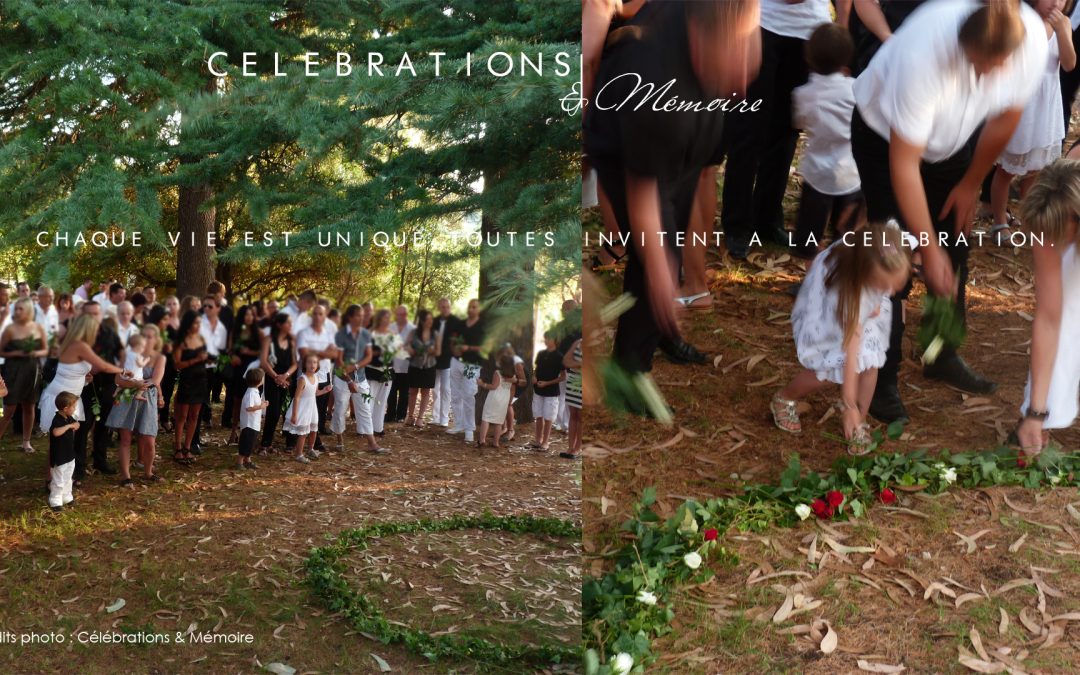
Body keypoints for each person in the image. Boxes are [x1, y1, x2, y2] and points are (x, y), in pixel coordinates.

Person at [851, 0, 1047, 424]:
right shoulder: (925, 50)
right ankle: (881, 377)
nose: (983, 77)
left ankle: (941, 350)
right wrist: (927, 247)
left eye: (995, 68)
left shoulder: (1029, 40)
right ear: (961, 46)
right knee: (895, 257)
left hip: (953, 142)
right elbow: (903, 165)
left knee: (954, 245)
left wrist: (972, 181)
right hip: (883, 135)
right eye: (976, 66)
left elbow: (1006, 116)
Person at [584, 0, 761, 386]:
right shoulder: (651, 75)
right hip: (625, 147)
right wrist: (665, 278)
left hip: (684, 121)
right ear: (699, 41)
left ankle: (659, 329)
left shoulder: (723, 21)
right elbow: (644, 194)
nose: (743, 86)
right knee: (655, 253)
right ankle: (629, 371)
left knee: (672, 239)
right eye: (732, 69)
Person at [772, 222, 911, 451]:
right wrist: (848, 402)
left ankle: (860, 420)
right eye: (884, 286)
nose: (892, 291)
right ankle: (785, 397)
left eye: (897, 284)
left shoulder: (890, 250)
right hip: (840, 311)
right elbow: (851, 344)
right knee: (827, 370)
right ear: (866, 276)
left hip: (861, 296)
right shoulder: (851, 296)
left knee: (870, 364)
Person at [722, 0, 831, 257]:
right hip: (761, 25)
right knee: (748, 129)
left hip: (808, 32)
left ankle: (767, 219)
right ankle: (736, 224)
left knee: (786, 133)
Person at [990, 0, 1076, 241]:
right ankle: (998, 221)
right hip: (1022, 105)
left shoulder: (1064, 24)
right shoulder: (1020, 18)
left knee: (1035, 173)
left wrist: (1062, 33)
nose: (1056, 2)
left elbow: (1069, 64)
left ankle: (1030, 223)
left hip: (1046, 108)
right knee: (1006, 170)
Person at [1014, 159, 1080, 458]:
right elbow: (1050, 318)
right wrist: (1036, 412)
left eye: (1058, 233)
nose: (1050, 241)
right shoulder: (1049, 222)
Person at [790, 22, 865, 259]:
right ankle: (843, 281)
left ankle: (810, 281)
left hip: (817, 174)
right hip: (851, 173)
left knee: (810, 235)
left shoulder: (802, 94)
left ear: (809, 59)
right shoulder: (855, 88)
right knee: (848, 235)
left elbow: (799, 123)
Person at [39, 313, 124, 484]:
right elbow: (103, 366)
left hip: (71, 397)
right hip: (61, 399)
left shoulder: (75, 344)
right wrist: (122, 370)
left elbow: (73, 370)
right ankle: (52, 481)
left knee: (66, 440)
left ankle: (61, 477)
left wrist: (84, 379)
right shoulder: (79, 345)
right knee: (59, 442)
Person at [106, 326, 163, 486]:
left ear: (157, 339)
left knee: (149, 439)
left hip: (147, 398)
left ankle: (148, 472)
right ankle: (126, 476)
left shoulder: (159, 357)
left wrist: (139, 385)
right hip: (127, 396)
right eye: (144, 335)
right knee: (125, 438)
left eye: (151, 336)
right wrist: (134, 384)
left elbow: (156, 380)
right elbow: (118, 379)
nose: (147, 339)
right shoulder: (128, 354)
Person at [331, 304, 388, 454]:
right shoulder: (341, 335)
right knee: (340, 409)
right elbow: (338, 361)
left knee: (365, 409)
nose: (362, 318)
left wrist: (355, 366)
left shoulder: (365, 334)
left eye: (363, 316)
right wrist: (349, 380)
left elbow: (368, 356)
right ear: (350, 317)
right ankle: (339, 440)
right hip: (342, 378)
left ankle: (372, 443)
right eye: (359, 315)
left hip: (361, 377)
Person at [0, 298, 47, 452]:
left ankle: (26, 441)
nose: (18, 311)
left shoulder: (38, 328)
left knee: (29, 405)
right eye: (16, 309)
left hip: (32, 370)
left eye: (21, 309)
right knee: (9, 409)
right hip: (13, 371)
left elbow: (46, 350)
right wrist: (16, 352)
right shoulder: (10, 329)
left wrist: (34, 352)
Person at [296, 303, 338, 451]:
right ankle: (301, 441)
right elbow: (304, 353)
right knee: (306, 408)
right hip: (309, 377)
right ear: (311, 316)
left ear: (325, 316)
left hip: (324, 374)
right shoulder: (304, 333)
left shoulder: (328, 333)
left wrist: (316, 352)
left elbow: (334, 353)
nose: (318, 317)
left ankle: (313, 443)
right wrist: (323, 352)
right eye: (315, 313)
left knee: (319, 411)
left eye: (321, 314)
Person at [173, 309, 208, 464]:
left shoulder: (202, 339)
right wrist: (195, 360)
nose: (198, 325)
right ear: (188, 324)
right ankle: (178, 448)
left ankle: (188, 447)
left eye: (200, 323)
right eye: (196, 323)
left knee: (194, 416)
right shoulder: (181, 341)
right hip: (187, 381)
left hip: (201, 381)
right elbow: (177, 364)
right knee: (182, 416)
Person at [259, 313, 298, 453]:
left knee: (286, 411)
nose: (290, 325)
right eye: (288, 323)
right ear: (279, 325)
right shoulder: (268, 340)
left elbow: (295, 364)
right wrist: (276, 377)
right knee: (273, 412)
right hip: (272, 379)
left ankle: (286, 442)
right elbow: (263, 361)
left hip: (287, 380)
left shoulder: (292, 342)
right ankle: (265, 443)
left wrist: (285, 376)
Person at [447, 299, 484, 443]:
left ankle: (469, 429)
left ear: (479, 310)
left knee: (468, 394)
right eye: (470, 307)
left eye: (474, 307)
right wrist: (454, 348)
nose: (471, 309)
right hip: (456, 362)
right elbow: (453, 339)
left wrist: (468, 348)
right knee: (455, 394)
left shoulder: (482, 327)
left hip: (472, 364)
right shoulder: (461, 324)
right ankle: (459, 423)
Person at [226, 305, 263, 444]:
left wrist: (249, 352)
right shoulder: (235, 331)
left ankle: (250, 433)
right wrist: (232, 356)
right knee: (237, 401)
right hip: (238, 368)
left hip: (253, 369)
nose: (249, 317)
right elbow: (229, 349)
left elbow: (263, 351)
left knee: (253, 401)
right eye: (246, 314)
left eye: (251, 315)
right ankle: (234, 431)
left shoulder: (257, 331)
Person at [285, 354, 331, 463]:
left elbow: (315, 393)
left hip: (312, 407)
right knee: (303, 433)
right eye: (309, 362)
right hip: (303, 407)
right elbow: (296, 397)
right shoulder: (302, 379)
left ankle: (310, 449)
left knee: (314, 429)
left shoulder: (316, 377)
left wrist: (324, 390)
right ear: (304, 365)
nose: (312, 365)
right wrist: (295, 414)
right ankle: (299, 454)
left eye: (315, 362)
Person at [529, 331, 565, 452]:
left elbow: (563, 377)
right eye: (545, 338)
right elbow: (536, 369)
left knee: (548, 417)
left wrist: (547, 383)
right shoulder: (541, 354)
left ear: (555, 340)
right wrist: (534, 377)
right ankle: (538, 440)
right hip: (538, 390)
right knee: (538, 415)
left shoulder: (560, 356)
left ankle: (545, 442)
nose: (546, 340)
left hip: (551, 392)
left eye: (548, 338)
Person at [405, 309, 440, 428]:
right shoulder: (413, 332)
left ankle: (420, 418)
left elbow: (438, 352)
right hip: (415, 365)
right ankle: (410, 416)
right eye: (428, 319)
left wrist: (432, 351)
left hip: (429, 366)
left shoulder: (435, 334)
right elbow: (406, 345)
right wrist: (410, 349)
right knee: (412, 391)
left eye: (431, 319)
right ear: (422, 321)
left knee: (426, 392)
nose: (430, 321)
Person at [47, 391, 80, 512]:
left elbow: (75, 425)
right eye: (74, 407)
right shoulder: (57, 419)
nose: (75, 409)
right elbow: (56, 432)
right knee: (58, 479)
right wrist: (69, 426)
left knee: (68, 476)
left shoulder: (68, 417)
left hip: (69, 455)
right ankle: (55, 500)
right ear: (66, 409)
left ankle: (66, 496)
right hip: (59, 457)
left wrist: (75, 425)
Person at [367, 309, 398, 438]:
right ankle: (366, 429)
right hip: (372, 369)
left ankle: (378, 427)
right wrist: (378, 352)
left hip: (387, 370)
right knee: (370, 400)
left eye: (388, 318)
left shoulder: (392, 334)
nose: (387, 320)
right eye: (384, 317)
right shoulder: (370, 333)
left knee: (382, 400)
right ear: (379, 318)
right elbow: (365, 352)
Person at [477, 354, 514, 449]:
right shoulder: (512, 375)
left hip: (494, 397)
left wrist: (482, 384)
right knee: (499, 421)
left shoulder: (498, 373)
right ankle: (496, 442)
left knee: (486, 418)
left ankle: (482, 440)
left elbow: (494, 386)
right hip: (504, 399)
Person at [431, 298, 458, 428]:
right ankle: (435, 416)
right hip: (435, 360)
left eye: (447, 306)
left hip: (449, 360)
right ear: (439, 307)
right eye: (442, 307)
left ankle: (444, 418)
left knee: (446, 389)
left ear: (450, 307)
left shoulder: (455, 321)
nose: (445, 309)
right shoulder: (434, 321)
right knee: (435, 389)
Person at [386, 304, 414, 424]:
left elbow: (414, 346)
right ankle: (390, 414)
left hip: (407, 365)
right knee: (391, 392)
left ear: (407, 314)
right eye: (398, 314)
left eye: (402, 314)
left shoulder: (413, 328)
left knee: (404, 393)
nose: (400, 316)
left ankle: (401, 415)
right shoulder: (391, 327)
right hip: (392, 364)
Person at [237, 367, 268, 470]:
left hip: (254, 423)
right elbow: (249, 408)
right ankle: (240, 462)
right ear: (259, 381)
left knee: (251, 443)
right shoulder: (250, 393)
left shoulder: (255, 392)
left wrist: (262, 404)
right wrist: (261, 407)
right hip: (249, 424)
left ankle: (247, 460)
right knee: (246, 443)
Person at [562, 339, 583, 460]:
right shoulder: (578, 342)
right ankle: (570, 447)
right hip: (573, 380)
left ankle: (578, 448)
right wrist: (579, 364)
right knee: (573, 414)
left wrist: (573, 363)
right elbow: (565, 361)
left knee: (581, 416)